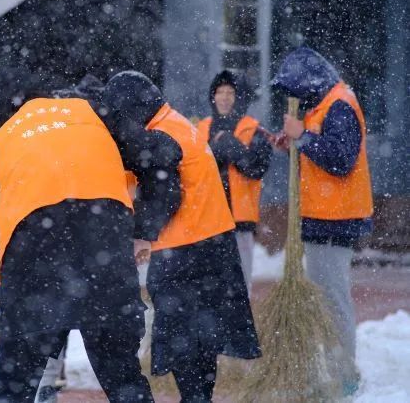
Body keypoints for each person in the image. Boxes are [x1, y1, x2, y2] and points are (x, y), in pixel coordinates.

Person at [0, 78, 182, 402]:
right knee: (122, 376)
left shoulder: (0, 141)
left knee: (15, 382)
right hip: (104, 253)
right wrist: (144, 230)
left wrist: (3, 290)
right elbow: (165, 155)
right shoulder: (95, 114)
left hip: (30, 262)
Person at [102, 71, 261, 403]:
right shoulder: (175, 122)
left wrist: (142, 236)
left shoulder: (161, 134)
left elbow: (165, 191)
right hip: (215, 243)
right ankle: (199, 397)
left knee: (181, 339)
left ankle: (195, 397)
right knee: (205, 335)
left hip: (184, 250)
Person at [272, 47, 373, 394]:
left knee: (332, 300)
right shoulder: (324, 105)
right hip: (321, 217)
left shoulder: (339, 105)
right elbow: (322, 148)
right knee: (325, 299)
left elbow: (341, 160)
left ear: (310, 83)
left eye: (296, 90)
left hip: (335, 219)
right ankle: (333, 371)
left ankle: (343, 377)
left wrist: (303, 137)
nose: (294, 98)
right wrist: (297, 142)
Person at [196, 71, 272, 294]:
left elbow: (256, 168)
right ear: (213, 96)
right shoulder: (200, 128)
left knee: (240, 285)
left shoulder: (254, 129)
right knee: (208, 285)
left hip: (239, 222)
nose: (225, 97)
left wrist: (232, 147)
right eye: (220, 92)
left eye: (231, 92)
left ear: (240, 98)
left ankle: (239, 327)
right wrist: (213, 151)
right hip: (206, 221)